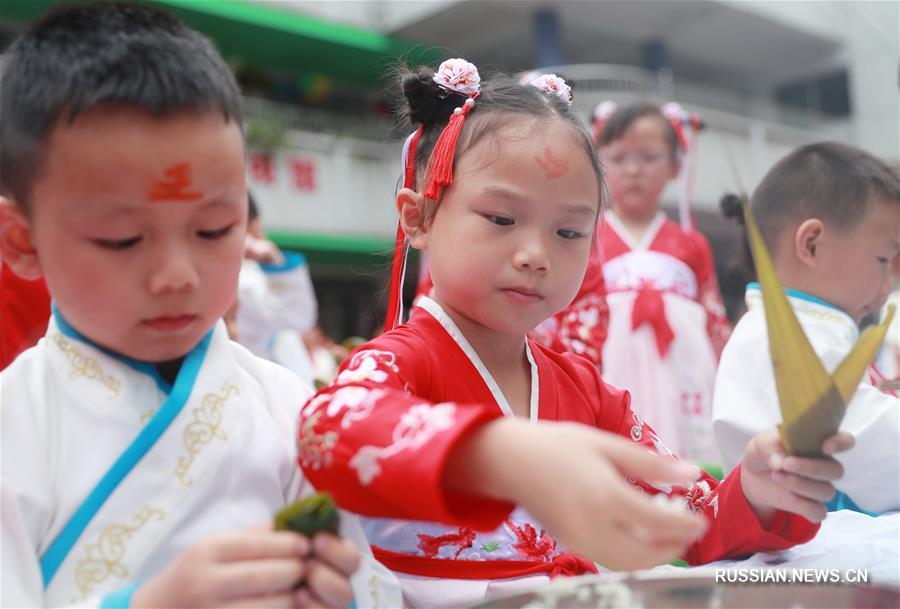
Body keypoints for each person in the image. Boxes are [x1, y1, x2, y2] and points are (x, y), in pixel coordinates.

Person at [295, 61, 852, 607]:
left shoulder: (585, 390)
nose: (536, 255)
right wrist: (499, 452)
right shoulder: (399, 363)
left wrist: (758, 492)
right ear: (418, 218)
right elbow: (328, 428)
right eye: (501, 219)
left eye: (568, 231)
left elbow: (687, 518)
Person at [0, 3, 399, 607]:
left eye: (214, 230)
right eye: (123, 239)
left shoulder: (286, 403)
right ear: (22, 241)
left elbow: (370, 584)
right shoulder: (15, 426)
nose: (177, 276)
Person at [713, 142, 900, 515]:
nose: (888, 282)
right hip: (819, 546)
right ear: (811, 244)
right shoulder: (783, 336)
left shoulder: (808, 330)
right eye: (883, 259)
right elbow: (863, 441)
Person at [587, 102, 731, 462]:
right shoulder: (584, 237)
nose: (633, 169)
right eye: (618, 158)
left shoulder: (692, 243)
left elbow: (713, 318)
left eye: (650, 157)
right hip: (610, 365)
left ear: (674, 166)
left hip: (684, 368)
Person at [235, 193, 320, 385]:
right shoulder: (244, 280)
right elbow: (298, 316)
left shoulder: (248, 276)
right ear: (255, 226)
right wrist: (271, 257)